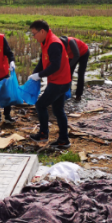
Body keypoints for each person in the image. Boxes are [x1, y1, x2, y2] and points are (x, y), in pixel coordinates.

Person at [28, 20, 72, 149]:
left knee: (41, 105)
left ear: (42, 31)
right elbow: (43, 61)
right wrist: (34, 74)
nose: (33, 37)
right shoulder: (45, 42)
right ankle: (64, 140)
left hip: (59, 82)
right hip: (59, 81)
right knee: (58, 110)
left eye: (34, 34)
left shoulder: (53, 44)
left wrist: (39, 75)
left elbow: (55, 66)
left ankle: (43, 134)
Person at [59, 35, 90, 102]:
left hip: (83, 53)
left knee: (81, 73)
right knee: (69, 73)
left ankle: (78, 95)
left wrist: (68, 66)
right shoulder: (59, 44)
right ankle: (67, 93)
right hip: (72, 55)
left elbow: (77, 55)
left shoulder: (71, 42)